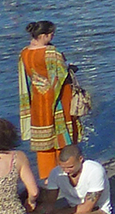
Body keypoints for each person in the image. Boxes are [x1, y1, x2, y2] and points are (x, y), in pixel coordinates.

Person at [18, 20, 82, 179]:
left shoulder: (24, 53)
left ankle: (47, 177)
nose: (53, 37)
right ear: (43, 35)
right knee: (62, 138)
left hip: (37, 101)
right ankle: (66, 173)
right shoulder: (51, 53)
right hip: (58, 101)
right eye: (51, 34)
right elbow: (60, 75)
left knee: (44, 144)